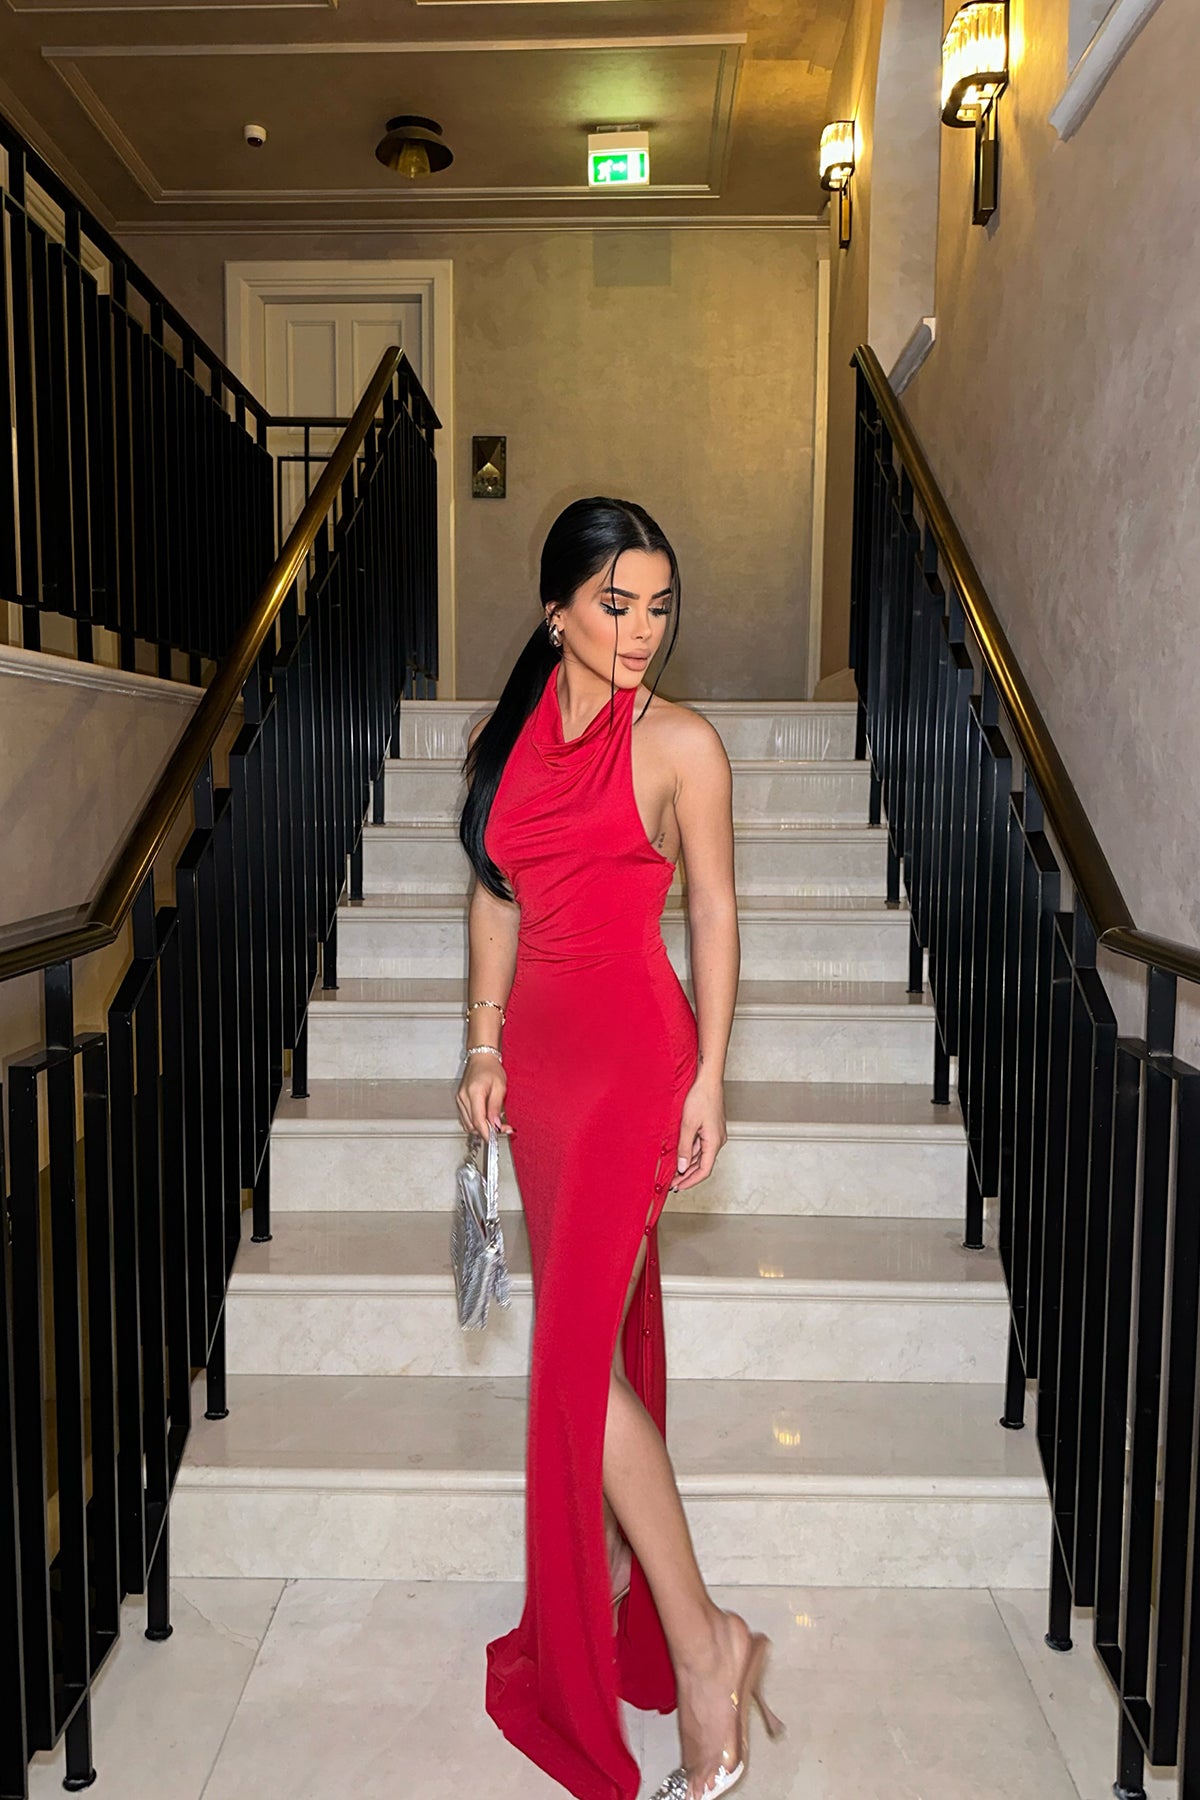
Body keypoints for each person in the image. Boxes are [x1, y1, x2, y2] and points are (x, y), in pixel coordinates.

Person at [456, 496, 785, 1800]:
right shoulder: (507, 743)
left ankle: (706, 1649)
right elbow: (495, 892)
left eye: (658, 604)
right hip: (537, 1074)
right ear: (557, 611)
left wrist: (711, 1071)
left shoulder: (682, 745)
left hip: (635, 1067)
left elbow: (713, 909)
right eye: (614, 602)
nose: (641, 627)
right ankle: (657, 1617)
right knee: (581, 1349)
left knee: (573, 1361)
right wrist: (481, 1045)